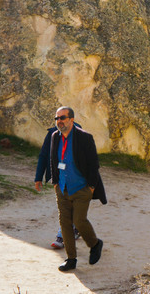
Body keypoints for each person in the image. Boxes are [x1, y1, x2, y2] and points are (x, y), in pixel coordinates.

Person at [38, 106, 106, 272]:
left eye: (62, 118)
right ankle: (71, 259)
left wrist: (90, 187)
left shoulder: (85, 137)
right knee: (65, 223)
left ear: (71, 120)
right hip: (62, 188)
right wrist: (55, 182)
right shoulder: (55, 136)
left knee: (78, 220)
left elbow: (93, 164)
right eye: (57, 118)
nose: (59, 121)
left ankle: (95, 244)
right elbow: (53, 160)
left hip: (81, 188)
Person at [36, 119, 82, 249]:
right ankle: (76, 227)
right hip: (58, 176)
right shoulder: (52, 134)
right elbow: (43, 156)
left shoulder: (79, 134)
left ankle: (61, 237)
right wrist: (38, 177)